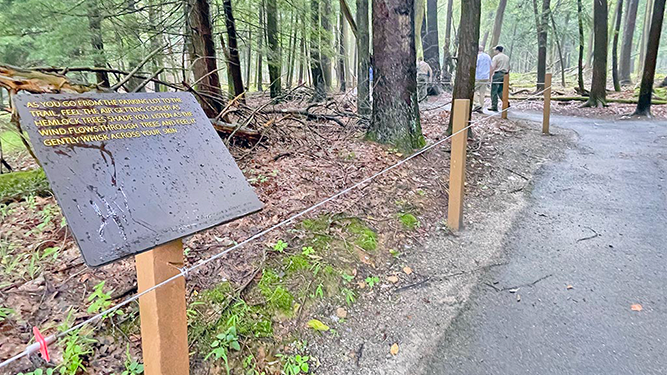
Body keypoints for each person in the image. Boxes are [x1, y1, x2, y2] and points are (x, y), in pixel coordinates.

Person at [490, 45, 510, 112]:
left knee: (494, 90)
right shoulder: (507, 57)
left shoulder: (496, 57)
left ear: (497, 50)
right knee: (501, 90)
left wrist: (490, 75)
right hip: (505, 74)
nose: (494, 51)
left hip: (498, 73)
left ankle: (494, 106)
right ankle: (506, 103)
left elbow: (493, 67)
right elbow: (509, 67)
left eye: (495, 50)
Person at [474, 45, 492, 112]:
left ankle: (477, 104)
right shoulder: (488, 56)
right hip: (486, 77)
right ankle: (481, 108)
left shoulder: (477, 57)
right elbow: (491, 66)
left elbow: (475, 65)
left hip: (478, 76)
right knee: (482, 93)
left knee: (472, 90)